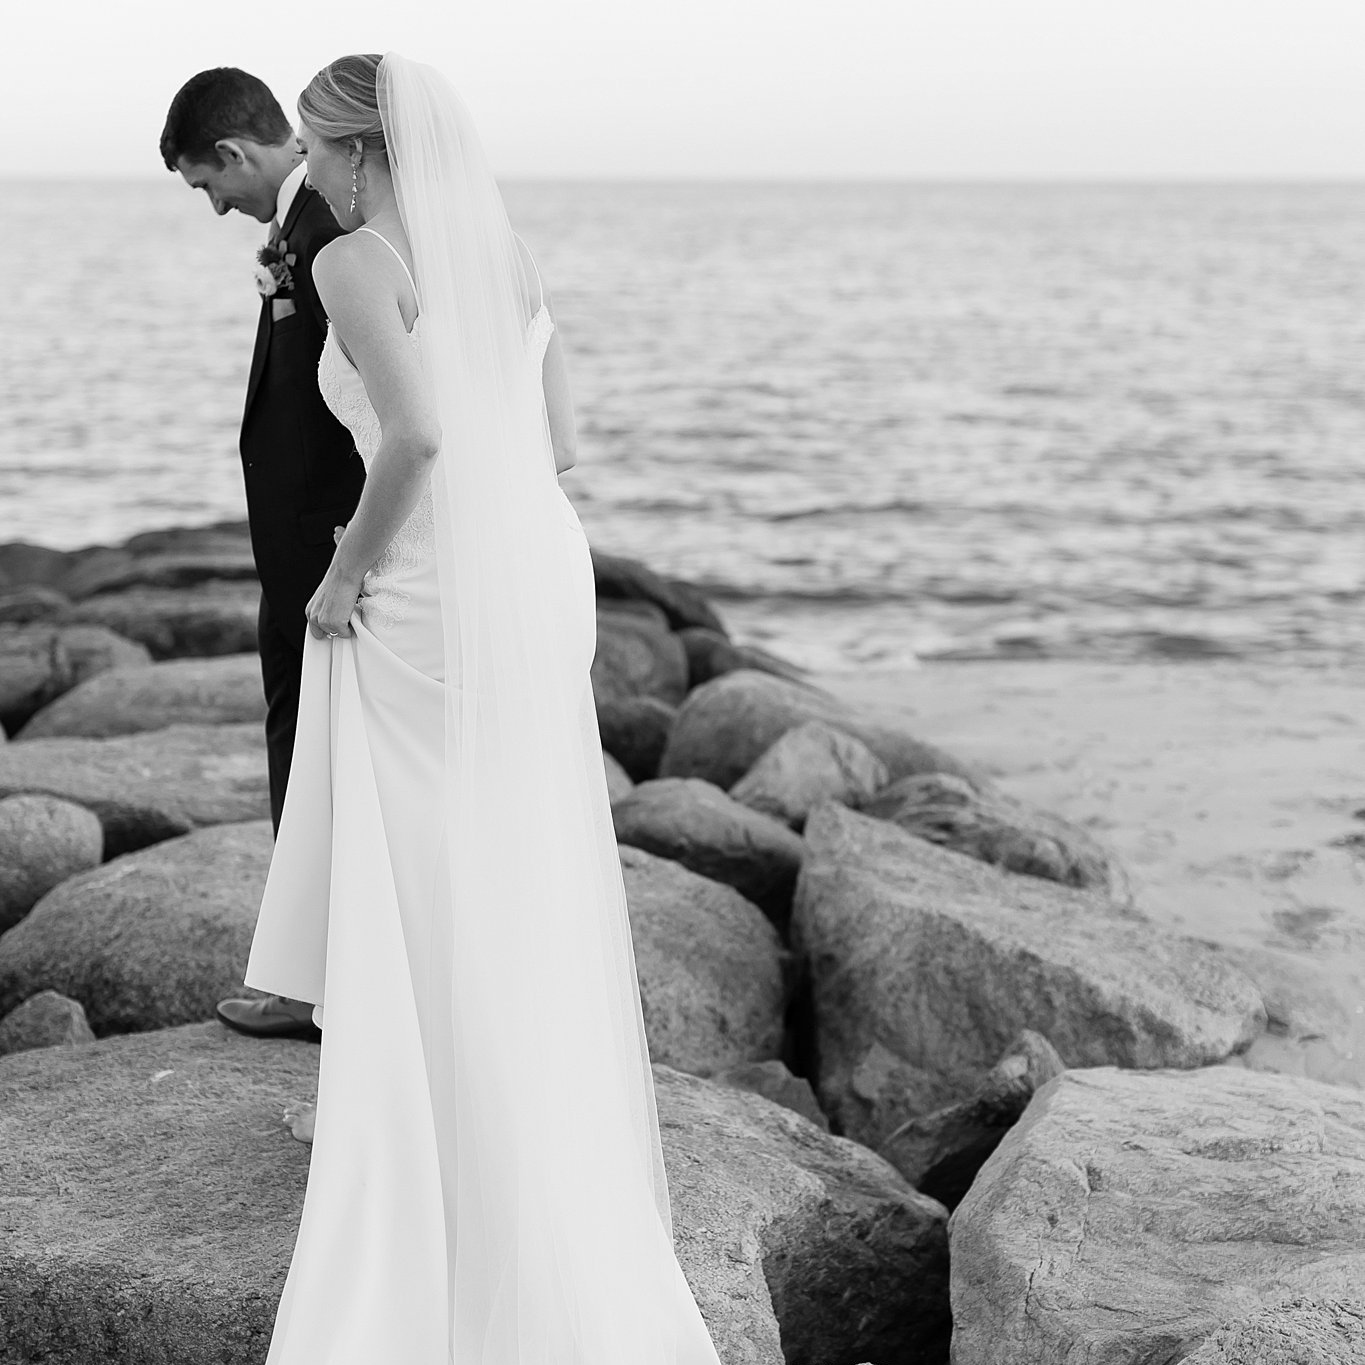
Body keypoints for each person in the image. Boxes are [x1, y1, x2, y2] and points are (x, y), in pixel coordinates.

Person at [240, 51, 724, 1363]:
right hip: (536, 562)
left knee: (416, 848)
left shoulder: (353, 261)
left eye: (314, 150)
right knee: (510, 838)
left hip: (439, 577)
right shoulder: (498, 249)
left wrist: (342, 574)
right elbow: (555, 441)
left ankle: (409, 1123)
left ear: (352, 152)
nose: (310, 174)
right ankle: (516, 1115)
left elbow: (420, 435)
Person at [160, 69, 365, 1042]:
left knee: (327, 766)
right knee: (302, 756)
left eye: (209, 184)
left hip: (332, 562)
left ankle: (324, 984)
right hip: (298, 562)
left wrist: (348, 563)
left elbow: (381, 416)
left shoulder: (329, 233)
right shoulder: (300, 231)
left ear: (238, 155)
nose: (215, 206)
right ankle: (308, 972)